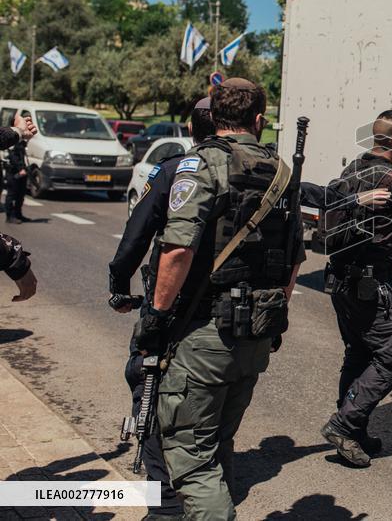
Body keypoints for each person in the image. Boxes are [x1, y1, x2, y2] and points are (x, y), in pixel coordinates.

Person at [136, 78, 304, 519]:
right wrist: (273, 316)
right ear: (259, 120)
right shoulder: (283, 172)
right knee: (216, 444)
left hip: (203, 334)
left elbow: (177, 250)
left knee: (191, 462)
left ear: (214, 117)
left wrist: (155, 318)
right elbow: (293, 261)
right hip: (256, 336)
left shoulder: (201, 165)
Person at [107, 97, 215, 521]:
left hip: (173, 308)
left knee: (148, 387)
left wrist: (119, 287)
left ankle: (164, 503)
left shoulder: (174, 171)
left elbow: (135, 238)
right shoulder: (257, 173)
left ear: (191, 131)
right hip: (234, 316)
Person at [308, 110, 392, 467]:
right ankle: (344, 424)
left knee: (360, 353)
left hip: (340, 280)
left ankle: (355, 429)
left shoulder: (351, 170)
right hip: (371, 283)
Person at [1, 113, 39, 301]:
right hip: (13, 174)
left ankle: (16, 214)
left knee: (18, 197)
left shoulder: (19, 143)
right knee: (12, 196)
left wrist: (18, 132)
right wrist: (16, 262)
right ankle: (11, 215)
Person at [3, 139, 30, 223]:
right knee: (12, 195)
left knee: (20, 195)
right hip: (13, 172)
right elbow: (12, 156)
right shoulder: (13, 140)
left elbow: (22, 157)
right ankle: (9, 216)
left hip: (21, 173)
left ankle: (18, 214)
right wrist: (20, 168)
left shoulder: (22, 142)